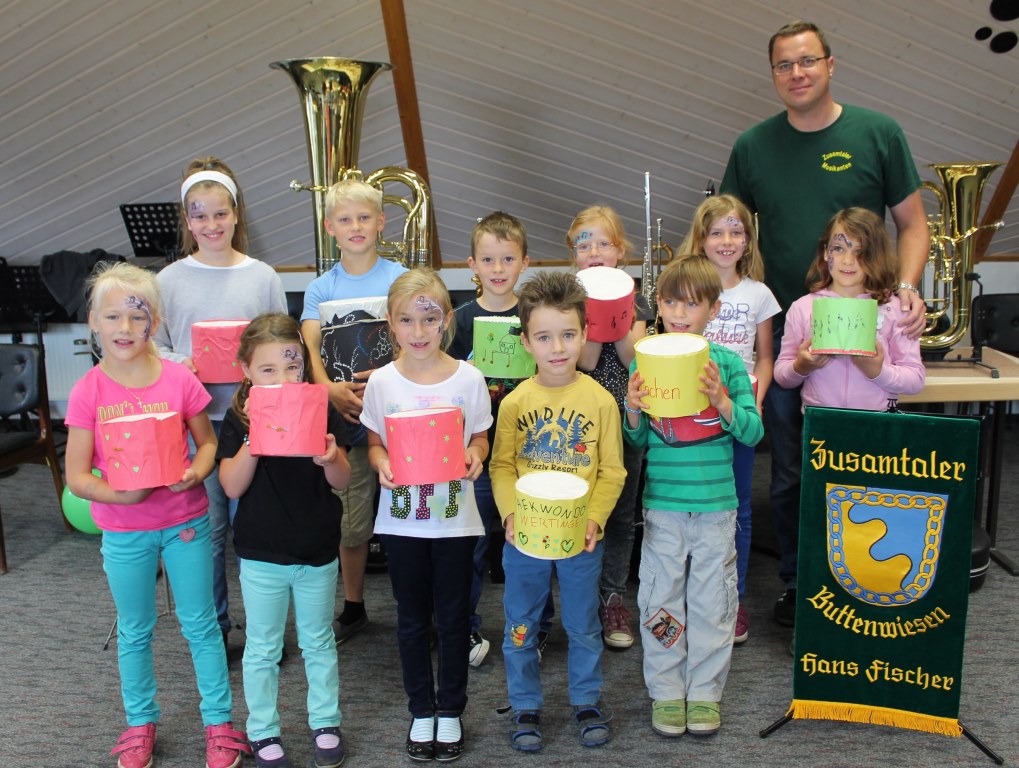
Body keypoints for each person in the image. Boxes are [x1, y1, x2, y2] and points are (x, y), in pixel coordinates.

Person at [719, 20, 929, 626]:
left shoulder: (878, 132)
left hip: (868, 331)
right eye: (784, 65)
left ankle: (868, 580)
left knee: (866, 471)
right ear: (773, 75)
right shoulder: (752, 145)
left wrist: (907, 290)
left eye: (808, 60)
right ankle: (799, 583)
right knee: (791, 473)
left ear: (830, 65)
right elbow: (726, 231)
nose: (797, 73)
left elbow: (913, 225)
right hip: (791, 339)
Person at [65, 262, 250, 768]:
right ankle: (140, 722)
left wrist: (196, 472)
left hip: (184, 523)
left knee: (201, 626)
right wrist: (118, 497)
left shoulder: (178, 380)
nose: (125, 327)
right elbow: (77, 476)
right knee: (135, 629)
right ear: (94, 322)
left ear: (156, 321)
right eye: (112, 316)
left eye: (137, 315)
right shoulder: (88, 391)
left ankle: (219, 722)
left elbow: (207, 444)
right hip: (125, 532)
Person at [623, 256, 764, 738]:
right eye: (670, 302)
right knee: (660, 597)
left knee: (712, 602)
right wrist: (633, 410)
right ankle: (666, 689)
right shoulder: (645, 359)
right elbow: (638, 441)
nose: (679, 313)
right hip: (663, 505)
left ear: (713, 309)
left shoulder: (727, 364)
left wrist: (722, 400)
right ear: (658, 306)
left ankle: (704, 691)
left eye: (692, 303)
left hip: (716, 508)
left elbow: (753, 432)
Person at [154, 157, 288, 650]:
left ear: (236, 215)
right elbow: (155, 346)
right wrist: (181, 361)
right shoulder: (168, 280)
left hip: (254, 422)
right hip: (198, 427)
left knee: (255, 530)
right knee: (209, 531)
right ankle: (217, 628)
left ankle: (265, 633)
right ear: (187, 221)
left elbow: (283, 344)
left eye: (220, 213)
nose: (211, 224)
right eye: (200, 215)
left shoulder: (262, 276)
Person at [490, 271, 626, 752]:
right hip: (525, 538)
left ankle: (586, 700)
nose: (558, 347)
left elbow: (612, 470)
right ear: (527, 341)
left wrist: (595, 518)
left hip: (580, 538)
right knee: (520, 625)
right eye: (544, 337)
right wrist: (509, 515)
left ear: (585, 334)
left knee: (584, 625)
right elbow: (502, 465)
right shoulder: (515, 403)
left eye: (568, 334)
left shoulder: (601, 400)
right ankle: (525, 705)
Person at [360, 268, 492, 762]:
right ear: (390, 325)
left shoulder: (469, 379)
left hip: (456, 523)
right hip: (402, 524)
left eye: (429, 319)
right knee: (412, 618)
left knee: (455, 618)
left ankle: (451, 707)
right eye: (406, 320)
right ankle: (421, 708)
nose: (418, 331)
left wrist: (476, 453)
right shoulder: (382, 382)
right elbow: (375, 444)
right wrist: (380, 463)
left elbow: (479, 437)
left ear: (446, 321)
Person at [217, 314, 352, 768]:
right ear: (247, 371)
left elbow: (342, 480)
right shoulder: (238, 419)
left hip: (316, 549)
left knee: (318, 641)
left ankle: (326, 721)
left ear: (304, 367)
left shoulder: (320, 408)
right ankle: (262, 730)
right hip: (262, 553)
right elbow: (232, 486)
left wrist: (330, 458)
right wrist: (256, 435)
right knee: (263, 647)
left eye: (292, 366)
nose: (283, 378)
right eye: (268, 369)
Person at [300, 178, 408, 644]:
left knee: (408, 509)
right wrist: (327, 389)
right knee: (352, 519)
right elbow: (309, 348)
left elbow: (418, 334)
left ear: (381, 222)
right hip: (347, 416)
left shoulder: (400, 277)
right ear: (330, 228)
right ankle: (355, 605)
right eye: (345, 219)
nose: (356, 226)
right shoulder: (320, 288)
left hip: (398, 412)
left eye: (364, 217)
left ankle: (412, 606)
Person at [677, 195, 780, 646]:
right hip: (688, 414)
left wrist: (754, 404)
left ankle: (730, 599)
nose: (726, 240)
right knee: (684, 508)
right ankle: (685, 598)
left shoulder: (758, 293)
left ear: (748, 240)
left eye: (736, 232)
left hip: (734, 411)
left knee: (737, 508)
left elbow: (765, 357)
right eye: (716, 232)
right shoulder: (684, 287)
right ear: (701, 238)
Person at [567, 205, 654, 651]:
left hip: (625, 420)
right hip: (579, 421)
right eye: (584, 245)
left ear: (620, 251)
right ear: (574, 254)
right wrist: (591, 311)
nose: (594, 252)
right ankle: (579, 596)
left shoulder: (636, 300)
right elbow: (583, 360)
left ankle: (613, 595)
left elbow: (630, 357)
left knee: (620, 512)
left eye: (604, 243)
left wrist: (615, 310)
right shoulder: (567, 298)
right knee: (578, 505)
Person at [448, 211, 530, 668]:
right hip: (475, 450)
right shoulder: (459, 321)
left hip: (528, 450)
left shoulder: (532, 314)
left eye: (508, 258)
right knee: (473, 542)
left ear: (524, 263)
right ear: (472, 265)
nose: (498, 268)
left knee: (529, 542)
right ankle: (464, 625)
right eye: (488, 259)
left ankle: (532, 626)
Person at [774, 208, 925, 413]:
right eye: (838, 248)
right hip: (821, 421)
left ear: (876, 256)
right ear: (826, 252)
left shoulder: (895, 309)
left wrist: (878, 371)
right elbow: (782, 376)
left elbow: (915, 379)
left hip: (877, 421)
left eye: (860, 252)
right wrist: (802, 366)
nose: (847, 261)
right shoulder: (802, 308)